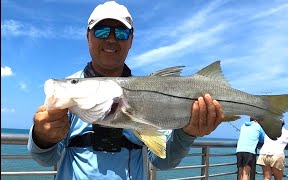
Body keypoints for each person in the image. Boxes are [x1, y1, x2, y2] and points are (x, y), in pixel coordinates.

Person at [27, 1, 225, 180]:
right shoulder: (70, 95)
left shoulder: (147, 89)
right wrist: (42, 138)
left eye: (121, 33)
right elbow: (45, 159)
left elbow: (163, 161)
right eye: (102, 31)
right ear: (88, 36)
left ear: (131, 41)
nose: (111, 39)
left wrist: (187, 134)